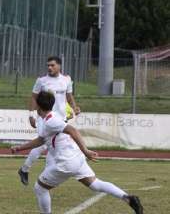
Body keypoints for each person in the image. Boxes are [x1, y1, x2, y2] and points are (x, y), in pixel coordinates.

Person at [11, 91, 143, 214]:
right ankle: (128, 198)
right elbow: (41, 140)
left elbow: (72, 130)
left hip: (65, 161)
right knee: (95, 184)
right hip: (76, 158)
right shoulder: (52, 117)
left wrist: (85, 150)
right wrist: (20, 148)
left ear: (38, 106)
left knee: (40, 188)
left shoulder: (51, 121)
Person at [18, 56, 80, 186]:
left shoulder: (66, 79)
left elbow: (69, 96)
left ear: (59, 66)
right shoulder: (41, 81)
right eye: (48, 65)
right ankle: (28, 171)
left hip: (60, 119)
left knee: (53, 146)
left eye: (52, 65)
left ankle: (31, 172)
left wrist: (74, 107)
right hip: (44, 117)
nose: (49, 68)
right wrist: (31, 114)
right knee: (44, 144)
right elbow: (34, 97)